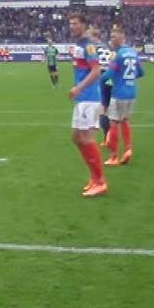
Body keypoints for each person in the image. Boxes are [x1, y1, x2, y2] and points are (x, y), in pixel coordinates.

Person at [67, 13, 108, 197]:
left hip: (89, 97)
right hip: (82, 98)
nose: (71, 27)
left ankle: (100, 181)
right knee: (76, 137)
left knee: (86, 137)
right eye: (70, 24)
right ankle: (94, 177)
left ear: (84, 25)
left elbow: (96, 71)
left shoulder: (89, 45)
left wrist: (79, 87)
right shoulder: (79, 45)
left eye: (75, 24)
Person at [104, 24, 144, 166]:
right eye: (111, 37)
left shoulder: (118, 54)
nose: (111, 39)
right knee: (125, 120)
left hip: (119, 93)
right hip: (131, 92)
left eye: (114, 37)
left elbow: (108, 74)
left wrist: (98, 81)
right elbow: (141, 72)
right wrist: (129, 78)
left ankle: (113, 156)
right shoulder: (132, 52)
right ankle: (128, 149)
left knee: (113, 122)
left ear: (121, 37)